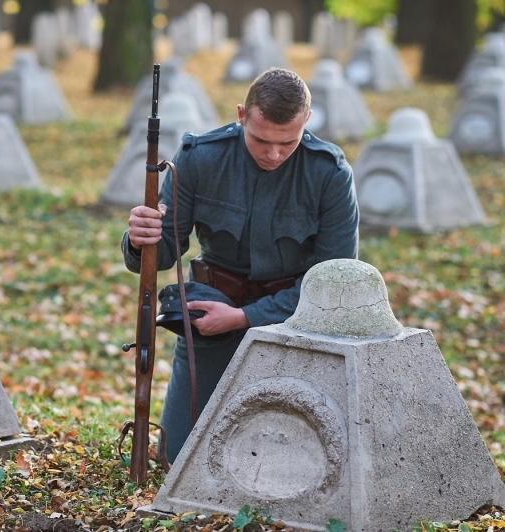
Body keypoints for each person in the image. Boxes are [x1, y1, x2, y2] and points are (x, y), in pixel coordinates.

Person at [121, 68, 359, 463]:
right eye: (261, 139)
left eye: (288, 142)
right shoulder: (199, 159)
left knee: (295, 460)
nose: (273, 154)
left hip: (297, 327)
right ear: (240, 115)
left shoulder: (329, 174)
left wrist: (244, 317)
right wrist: (139, 237)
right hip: (211, 326)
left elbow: (331, 285)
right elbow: (164, 253)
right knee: (179, 457)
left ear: (307, 122)